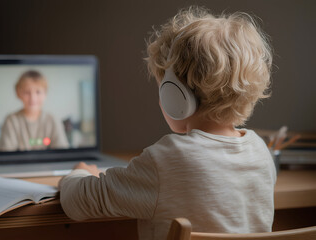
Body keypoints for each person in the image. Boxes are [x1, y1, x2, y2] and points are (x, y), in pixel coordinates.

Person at [59, 6, 276, 240]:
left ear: (175, 95)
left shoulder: (165, 160)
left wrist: (77, 174)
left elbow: (76, 203)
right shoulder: (261, 152)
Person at [0, 70, 69, 151]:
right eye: (27, 92)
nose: (33, 98)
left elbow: (62, 152)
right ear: (18, 93)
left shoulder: (53, 120)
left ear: (45, 94)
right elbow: (6, 153)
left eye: (38, 92)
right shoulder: (11, 121)